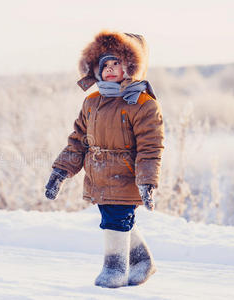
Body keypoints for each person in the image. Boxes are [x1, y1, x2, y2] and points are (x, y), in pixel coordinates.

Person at [45, 31, 164, 288]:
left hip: (126, 175)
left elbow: (150, 148)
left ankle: (115, 269)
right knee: (116, 219)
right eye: (105, 64)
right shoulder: (92, 102)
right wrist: (60, 172)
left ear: (132, 66)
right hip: (98, 175)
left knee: (115, 220)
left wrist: (146, 182)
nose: (109, 69)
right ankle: (143, 262)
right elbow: (77, 141)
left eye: (116, 63)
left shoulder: (142, 104)